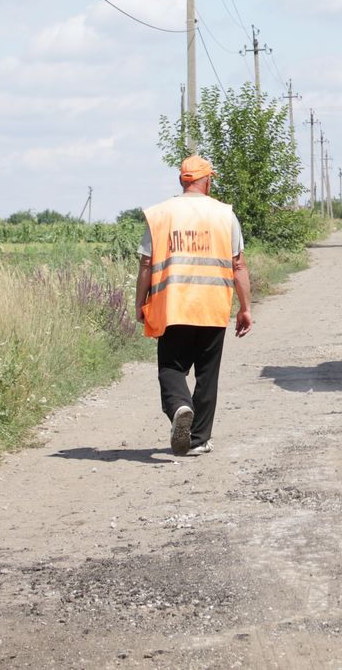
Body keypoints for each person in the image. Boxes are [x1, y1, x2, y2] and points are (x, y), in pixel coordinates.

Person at [135, 155, 252, 456]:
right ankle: (199, 439)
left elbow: (146, 264)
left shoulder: (161, 214)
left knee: (171, 368)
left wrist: (140, 301)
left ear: (181, 180)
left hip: (173, 305)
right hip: (213, 306)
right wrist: (245, 307)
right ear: (207, 180)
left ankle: (179, 406)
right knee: (207, 374)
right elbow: (238, 266)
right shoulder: (224, 215)